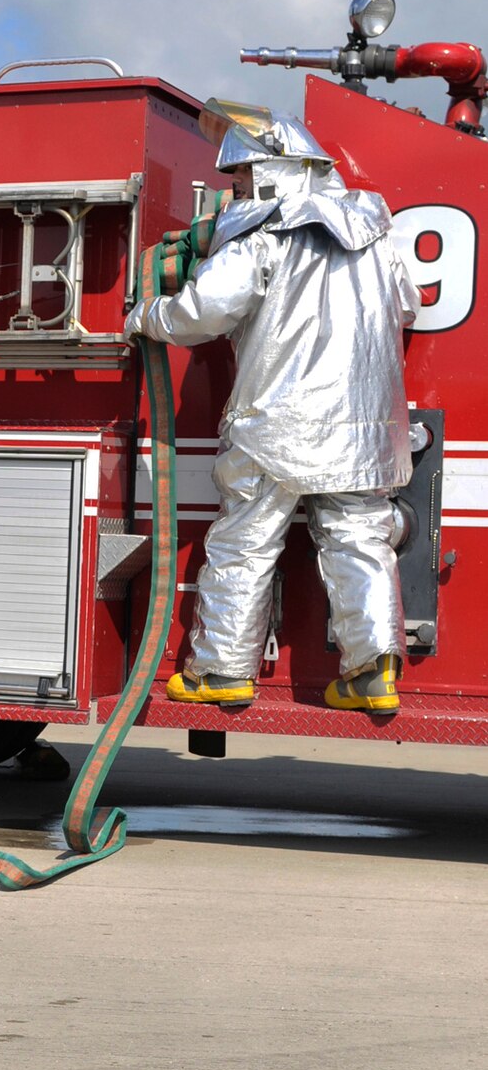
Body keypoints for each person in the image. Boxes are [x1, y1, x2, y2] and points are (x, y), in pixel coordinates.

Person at [125, 100, 419, 716]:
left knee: (244, 542)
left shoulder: (264, 236)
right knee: (360, 541)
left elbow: (201, 312)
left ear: (275, 170)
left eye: (239, 177)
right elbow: (409, 307)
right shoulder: (378, 235)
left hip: (273, 428)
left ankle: (221, 674)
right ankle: (373, 676)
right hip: (362, 432)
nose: (234, 191)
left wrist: (145, 315)